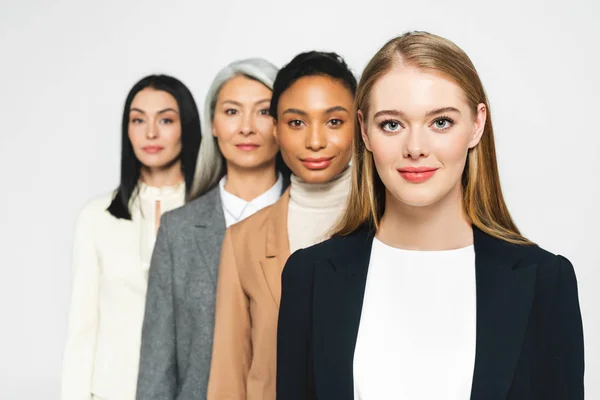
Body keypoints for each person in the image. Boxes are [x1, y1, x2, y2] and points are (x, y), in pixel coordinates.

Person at [276, 32, 585, 400]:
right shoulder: (308, 276)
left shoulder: (545, 280)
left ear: (476, 124)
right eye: (392, 124)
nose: (415, 148)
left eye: (440, 122)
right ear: (365, 130)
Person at [208, 51, 356, 400]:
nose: (315, 141)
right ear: (275, 129)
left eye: (334, 121)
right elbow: (229, 376)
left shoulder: (391, 224)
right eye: (296, 122)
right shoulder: (242, 240)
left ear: (360, 125)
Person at [136, 58, 286, 400]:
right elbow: (157, 365)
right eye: (232, 112)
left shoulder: (308, 223)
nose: (246, 128)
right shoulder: (178, 231)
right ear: (213, 124)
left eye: (263, 112)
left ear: (282, 123)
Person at [61, 75, 202, 400]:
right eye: (138, 119)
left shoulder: (211, 215)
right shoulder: (96, 216)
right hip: (113, 391)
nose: (150, 132)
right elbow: (82, 329)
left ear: (188, 127)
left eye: (165, 119)